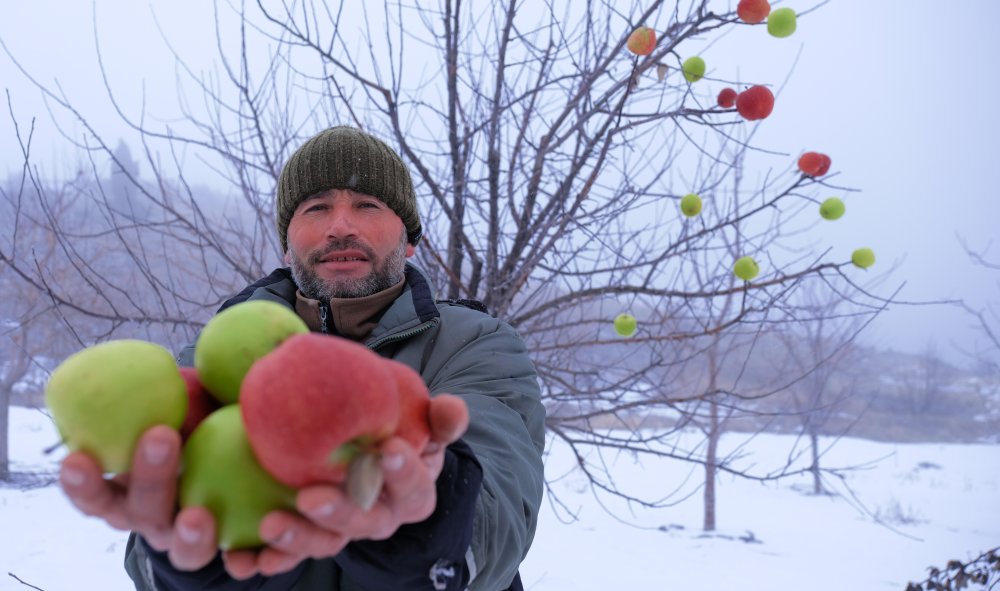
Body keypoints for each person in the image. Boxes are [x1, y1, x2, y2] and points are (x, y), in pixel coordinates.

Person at [57, 126, 547, 591]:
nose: (340, 226)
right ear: (288, 247)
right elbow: (152, 532)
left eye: (367, 204)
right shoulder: (219, 356)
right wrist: (198, 563)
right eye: (316, 207)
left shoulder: (473, 342)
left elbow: (502, 505)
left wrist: (434, 530)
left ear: (410, 240)